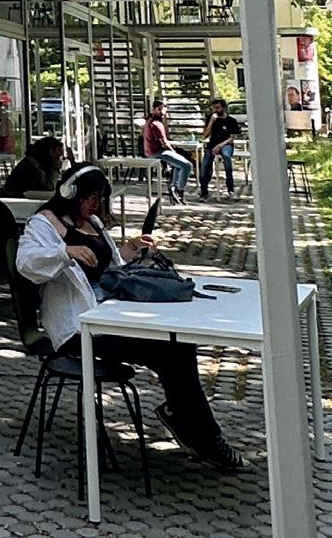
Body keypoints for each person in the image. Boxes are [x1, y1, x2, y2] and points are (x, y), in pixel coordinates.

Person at [16, 163, 243, 471]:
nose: (95, 204)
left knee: (178, 342)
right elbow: (26, 264)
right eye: (89, 196)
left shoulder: (93, 222)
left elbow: (109, 269)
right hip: (78, 328)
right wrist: (64, 252)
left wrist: (128, 251)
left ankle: (185, 418)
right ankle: (203, 435)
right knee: (171, 350)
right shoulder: (43, 224)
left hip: (111, 314)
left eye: (100, 197)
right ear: (70, 192)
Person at [142, 98, 193, 203]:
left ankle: (174, 188)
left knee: (179, 162)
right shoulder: (156, 124)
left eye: (164, 109)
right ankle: (179, 190)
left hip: (151, 151)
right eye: (159, 109)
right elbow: (164, 143)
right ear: (153, 109)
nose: (162, 112)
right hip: (157, 153)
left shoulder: (149, 121)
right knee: (187, 165)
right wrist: (173, 152)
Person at [199, 97, 241, 199]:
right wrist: (211, 122)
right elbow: (205, 135)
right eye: (214, 108)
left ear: (223, 108)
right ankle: (204, 190)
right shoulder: (211, 118)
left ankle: (230, 188)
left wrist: (220, 146)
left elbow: (232, 138)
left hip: (226, 144)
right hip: (212, 144)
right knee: (205, 165)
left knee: (226, 157)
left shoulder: (231, 120)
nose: (216, 110)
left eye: (218, 108)